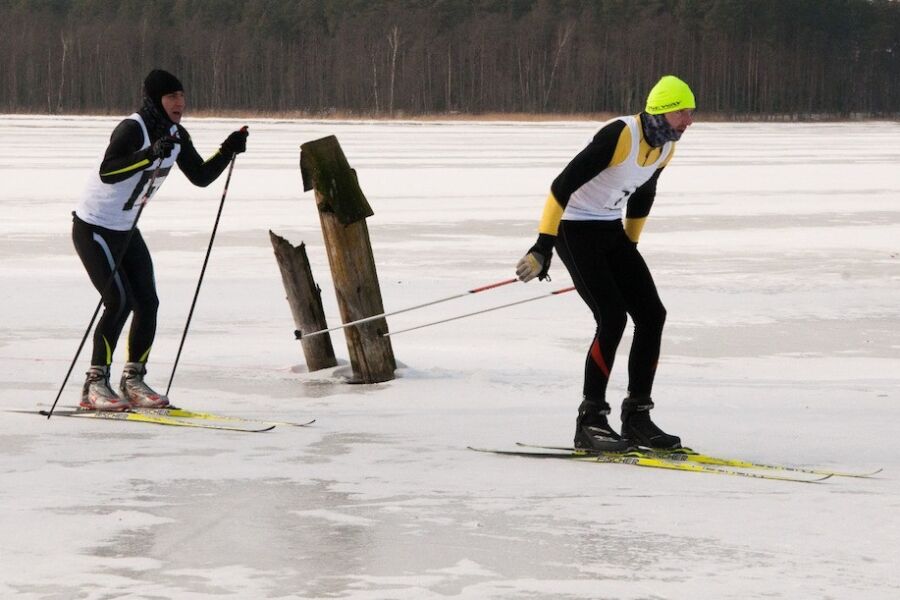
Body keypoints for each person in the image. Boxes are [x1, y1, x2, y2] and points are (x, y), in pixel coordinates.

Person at [515, 75, 695, 451]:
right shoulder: (620, 135)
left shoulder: (665, 147)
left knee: (652, 315)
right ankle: (591, 420)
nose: (689, 121)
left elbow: (644, 193)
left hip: (611, 231)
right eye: (684, 112)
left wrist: (629, 247)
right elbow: (561, 185)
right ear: (662, 109)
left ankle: (637, 418)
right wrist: (542, 246)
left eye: (691, 113)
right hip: (573, 230)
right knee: (612, 317)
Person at [72, 69, 249, 411]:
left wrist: (228, 150)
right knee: (118, 301)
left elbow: (199, 176)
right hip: (93, 228)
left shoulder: (176, 135)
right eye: (171, 97)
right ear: (155, 100)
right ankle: (94, 385)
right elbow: (108, 171)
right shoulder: (131, 129)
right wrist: (149, 154)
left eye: (182, 96)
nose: (179, 103)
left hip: (125, 229)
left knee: (148, 303)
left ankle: (133, 380)